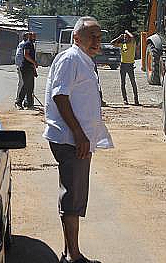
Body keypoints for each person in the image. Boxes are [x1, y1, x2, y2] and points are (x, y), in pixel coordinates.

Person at [43, 17, 114, 263]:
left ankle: (69, 254)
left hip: (78, 139)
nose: (97, 41)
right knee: (72, 196)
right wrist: (79, 135)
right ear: (76, 38)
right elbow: (60, 97)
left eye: (99, 36)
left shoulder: (84, 60)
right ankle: (73, 256)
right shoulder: (71, 58)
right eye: (91, 36)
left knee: (75, 195)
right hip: (71, 139)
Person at [110, 30, 139, 105]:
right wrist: (119, 37)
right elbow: (112, 43)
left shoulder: (132, 44)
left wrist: (127, 32)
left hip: (130, 65)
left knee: (133, 82)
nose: (125, 39)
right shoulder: (123, 45)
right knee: (123, 83)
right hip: (123, 65)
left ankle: (136, 100)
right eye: (124, 38)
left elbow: (132, 37)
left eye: (126, 38)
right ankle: (125, 99)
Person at [15, 32, 37, 110]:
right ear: (30, 37)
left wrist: (34, 69)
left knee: (31, 86)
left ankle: (29, 104)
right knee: (25, 85)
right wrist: (34, 63)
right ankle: (19, 102)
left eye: (35, 36)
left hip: (30, 68)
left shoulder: (31, 44)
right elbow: (26, 55)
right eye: (33, 36)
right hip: (25, 68)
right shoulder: (27, 44)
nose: (35, 38)